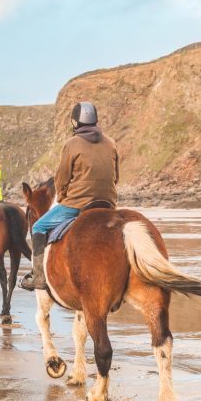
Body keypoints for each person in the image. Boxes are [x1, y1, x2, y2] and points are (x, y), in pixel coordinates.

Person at [19, 102, 119, 290]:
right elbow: (116, 177)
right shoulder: (111, 142)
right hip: (108, 203)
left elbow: (62, 179)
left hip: (78, 204)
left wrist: (64, 197)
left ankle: (38, 278)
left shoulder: (71, 144)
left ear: (75, 123)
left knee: (39, 225)